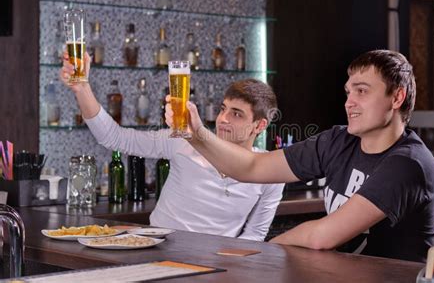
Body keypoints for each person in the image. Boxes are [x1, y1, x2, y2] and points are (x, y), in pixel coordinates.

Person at [166, 50, 434, 262]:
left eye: (362, 91)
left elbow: (323, 236)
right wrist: (196, 134)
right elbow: (252, 167)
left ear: (397, 97)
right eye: (348, 92)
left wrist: (264, 251)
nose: (349, 101)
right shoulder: (338, 141)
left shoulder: (409, 163)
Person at [59, 52, 284, 241]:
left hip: (215, 266)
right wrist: (82, 89)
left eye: (236, 114)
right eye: (223, 109)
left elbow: (255, 234)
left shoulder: (269, 172)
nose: (223, 118)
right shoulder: (181, 140)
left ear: (259, 125)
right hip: (157, 249)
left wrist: (225, 266)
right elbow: (114, 138)